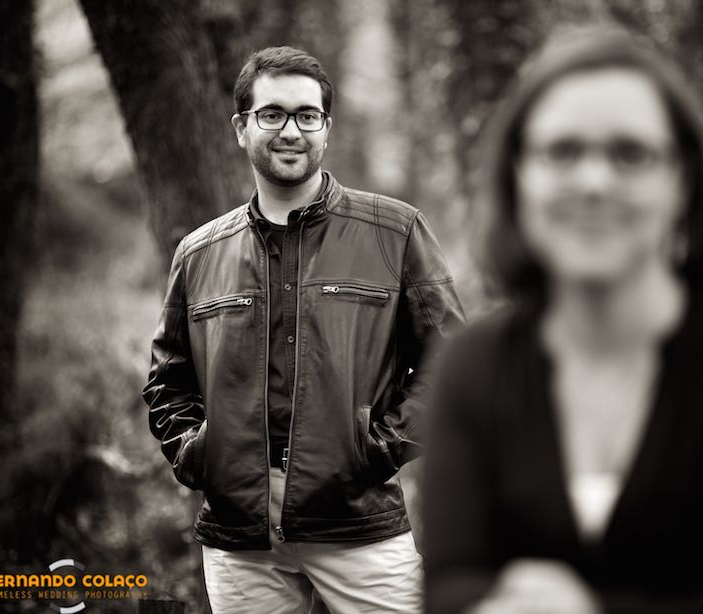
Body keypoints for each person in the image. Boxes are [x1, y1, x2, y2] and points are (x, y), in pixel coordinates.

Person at [422, 26, 703, 614]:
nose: (595, 181)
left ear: (682, 180)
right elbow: (450, 587)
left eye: (630, 153)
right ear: (519, 174)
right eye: (563, 151)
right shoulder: (473, 364)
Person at [142, 46, 464, 614]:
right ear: (242, 128)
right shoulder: (198, 254)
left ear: (326, 128)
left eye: (306, 115)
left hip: (360, 525)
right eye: (272, 114)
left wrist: (376, 450)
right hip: (241, 542)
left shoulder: (395, 231)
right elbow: (169, 381)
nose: (291, 130)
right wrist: (200, 453)